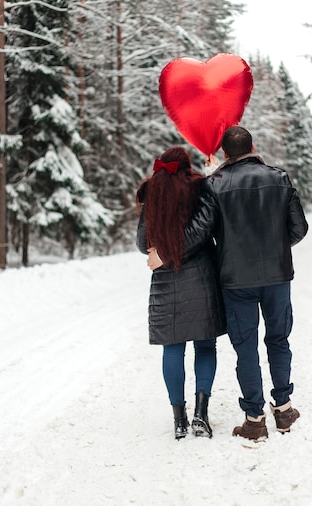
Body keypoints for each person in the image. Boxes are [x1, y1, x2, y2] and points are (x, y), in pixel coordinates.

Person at [149, 126, 308, 442]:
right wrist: (275, 248)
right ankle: (284, 408)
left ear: (224, 153)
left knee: (245, 347)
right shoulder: (280, 178)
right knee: (278, 339)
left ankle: (254, 419)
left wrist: (164, 253)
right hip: (277, 277)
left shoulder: (214, 185)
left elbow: (199, 231)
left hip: (235, 281)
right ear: (254, 146)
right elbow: (299, 228)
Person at [136, 146, 226, 440]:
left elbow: (141, 242)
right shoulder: (200, 187)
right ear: (187, 166)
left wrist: (164, 253)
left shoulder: (152, 192)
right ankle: (201, 414)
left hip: (165, 281)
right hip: (200, 275)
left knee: (172, 349)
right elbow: (203, 227)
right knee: (204, 346)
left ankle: (179, 419)